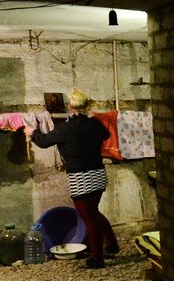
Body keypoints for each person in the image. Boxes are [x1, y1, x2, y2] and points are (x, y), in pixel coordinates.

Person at [28, 90, 120, 268]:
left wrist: (32, 132)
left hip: (80, 177)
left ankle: (97, 259)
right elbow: (106, 135)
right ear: (86, 106)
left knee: (89, 218)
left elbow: (44, 142)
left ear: (70, 106)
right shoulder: (95, 124)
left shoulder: (66, 129)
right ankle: (112, 244)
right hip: (98, 175)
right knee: (94, 212)